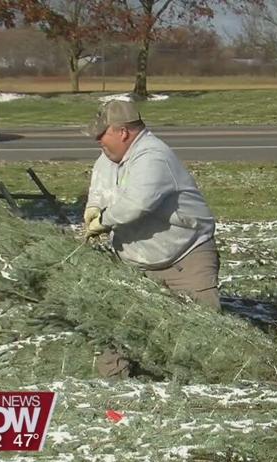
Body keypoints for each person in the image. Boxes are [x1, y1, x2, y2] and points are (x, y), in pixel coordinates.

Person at [82, 101, 221, 376]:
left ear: (123, 132)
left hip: (185, 257)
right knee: (119, 324)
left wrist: (104, 221)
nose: (98, 139)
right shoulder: (109, 157)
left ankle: (200, 392)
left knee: (203, 335)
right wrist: (93, 207)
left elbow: (137, 204)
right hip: (137, 262)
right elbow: (100, 186)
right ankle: (115, 388)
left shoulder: (153, 157)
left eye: (102, 133)